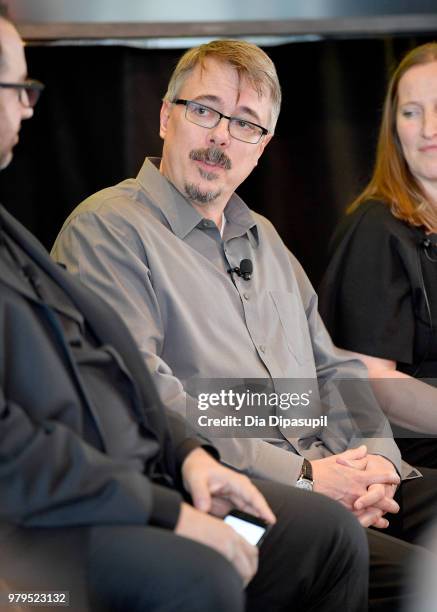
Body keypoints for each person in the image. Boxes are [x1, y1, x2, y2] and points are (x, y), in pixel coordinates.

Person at [0, 13, 373, 612]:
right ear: (166, 116)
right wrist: (306, 477)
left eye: (245, 124)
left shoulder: (268, 242)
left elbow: (333, 375)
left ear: (263, 147)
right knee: (356, 553)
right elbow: (145, 392)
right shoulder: (110, 228)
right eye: (205, 111)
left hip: (324, 475)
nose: (222, 136)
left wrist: (374, 464)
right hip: (211, 483)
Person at [318, 42, 437, 469]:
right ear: (394, 128)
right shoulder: (375, 228)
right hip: (410, 459)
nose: (428, 129)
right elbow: (370, 383)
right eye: (411, 112)